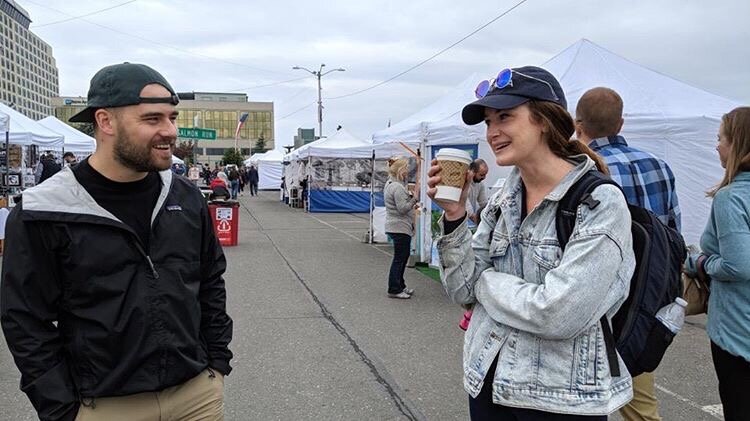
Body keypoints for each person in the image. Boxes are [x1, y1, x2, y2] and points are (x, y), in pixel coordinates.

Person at [0, 62, 233, 421]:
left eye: (172, 117)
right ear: (106, 122)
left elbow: (210, 281)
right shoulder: (44, 211)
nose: (170, 131)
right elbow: (24, 319)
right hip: (104, 406)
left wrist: (216, 364)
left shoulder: (185, 196)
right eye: (153, 119)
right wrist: (62, 408)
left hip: (195, 395)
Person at [431, 66, 635, 419]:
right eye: (488, 122)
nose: (492, 132)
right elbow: (462, 290)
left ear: (543, 119)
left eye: (505, 117)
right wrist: (455, 215)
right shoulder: (502, 197)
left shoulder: (598, 203)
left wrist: (487, 282)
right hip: (487, 379)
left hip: (559, 398)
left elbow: (558, 314)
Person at [575, 87, 681, 421]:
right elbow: (674, 235)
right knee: (641, 403)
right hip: (646, 300)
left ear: (578, 125)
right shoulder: (659, 166)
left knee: (579, 399)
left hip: (598, 300)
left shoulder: (583, 171)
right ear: (620, 123)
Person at [684, 106, 750, 421]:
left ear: (738, 144)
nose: (717, 146)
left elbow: (739, 266)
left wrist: (701, 262)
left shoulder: (732, 198)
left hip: (739, 330)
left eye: (721, 138)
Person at [383, 157, 419, 299]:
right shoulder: (397, 187)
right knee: (400, 259)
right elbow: (403, 208)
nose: (407, 171)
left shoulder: (390, 184)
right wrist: (414, 199)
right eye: (405, 168)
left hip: (395, 226)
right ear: (400, 170)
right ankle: (394, 288)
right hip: (400, 227)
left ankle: (400, 285)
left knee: (401, 258)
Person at [466, 158, 489, 225]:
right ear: (473, 172)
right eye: (481, 175)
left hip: (465, 220)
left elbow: (484, 203)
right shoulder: (464, 182)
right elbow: (465, 203)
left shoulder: (480, 184)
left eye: (485, 175)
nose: (484, 178)